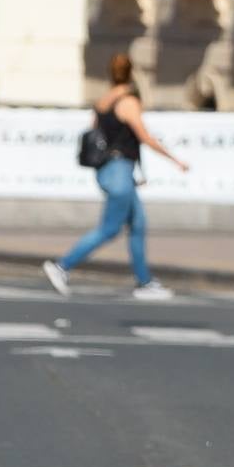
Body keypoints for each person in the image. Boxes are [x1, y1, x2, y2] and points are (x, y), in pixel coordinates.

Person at [43, 54, 188, 301]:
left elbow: (98, 134)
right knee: (110, 229)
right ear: (132, 74)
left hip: (110, 170)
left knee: (138, 225)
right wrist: (175, 160)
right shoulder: (128, 101)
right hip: (120, 170)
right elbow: (143, 137)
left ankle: (144, 282)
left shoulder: (103, 102)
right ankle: (62, 266)